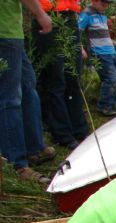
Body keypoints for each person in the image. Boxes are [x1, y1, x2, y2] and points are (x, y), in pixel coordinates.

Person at [0, 0, 55, 185]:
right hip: (5, 33)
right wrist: (40, 14)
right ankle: (16, 163)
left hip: (11, 32)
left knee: (27, 87)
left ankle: (34, 149)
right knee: (10, 99)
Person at [30, 0, 88, 151]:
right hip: (48, 15)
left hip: (70, 16)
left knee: (73, 77)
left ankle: (79, 129)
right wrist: (40, 14)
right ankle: (62, 134)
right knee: (55, 80)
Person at [78, 0, 116, 117]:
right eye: (103, 4)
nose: (105, 7)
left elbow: (104, 34)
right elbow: (78, 31)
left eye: (107, 5)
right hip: (100, 53)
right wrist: (81, 48)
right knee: (110, 79)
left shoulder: (102, 15)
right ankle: (104, 106)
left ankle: (113, 105)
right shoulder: (87, 14)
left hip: (110, 52)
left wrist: (114, 43)